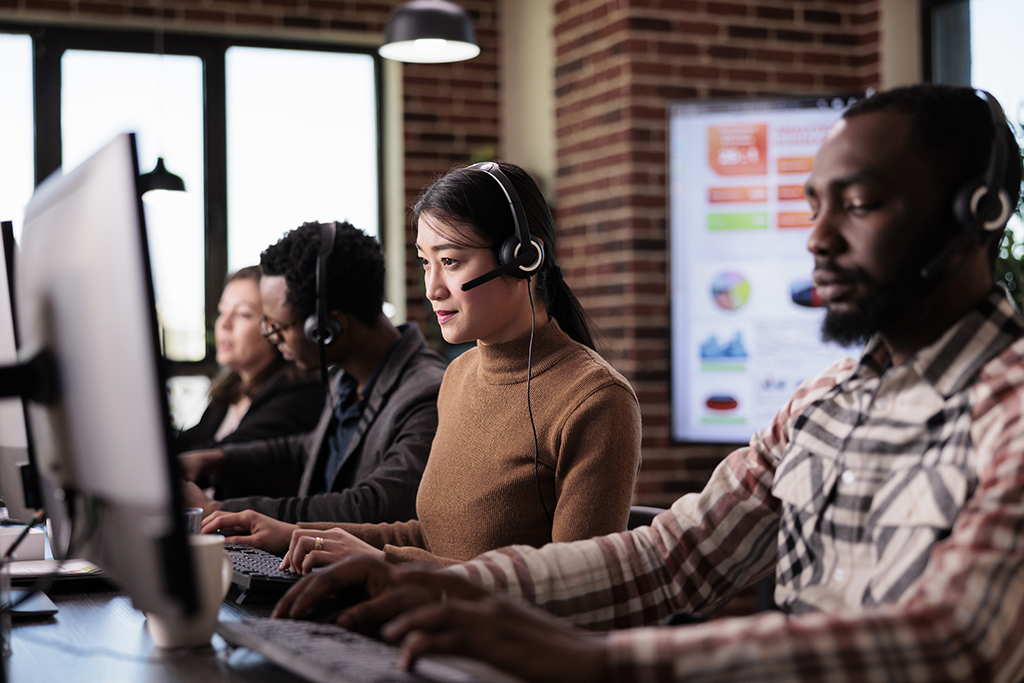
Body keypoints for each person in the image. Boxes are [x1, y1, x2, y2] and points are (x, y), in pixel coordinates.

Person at [272, 85, 1024, 682]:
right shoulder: (822, 404)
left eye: (856, 205)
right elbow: (671, 557)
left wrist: (598, 662)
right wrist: (442, 587)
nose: (816, 239)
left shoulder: (1011, 410)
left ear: (977, 215)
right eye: (813, 206)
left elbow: (953, 641)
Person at [202, 161, 643, 570]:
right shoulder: (459, 376)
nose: (432, 288)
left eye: (449, 262)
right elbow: (431, 536)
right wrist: (295, 534)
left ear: (523, 257)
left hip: (495, 650)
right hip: (425, 625)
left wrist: (387, 565)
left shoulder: (596, 400)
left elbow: (576, 589)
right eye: (425, 263)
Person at [180, 221, 448, 523]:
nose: (271, 336)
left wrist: (222, 511)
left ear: (327, 329)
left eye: (278, 325)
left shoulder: (427, 393)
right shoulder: (346, 379)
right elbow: (308, 450)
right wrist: (216, 460)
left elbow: (377, 505)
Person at [174, 266, 324, 454]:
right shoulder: (231, 390)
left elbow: (220, 455)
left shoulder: (297, 396)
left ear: (274, 325)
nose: (224, 324)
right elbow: (188, 443)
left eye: (243, 314)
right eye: (222, 311)